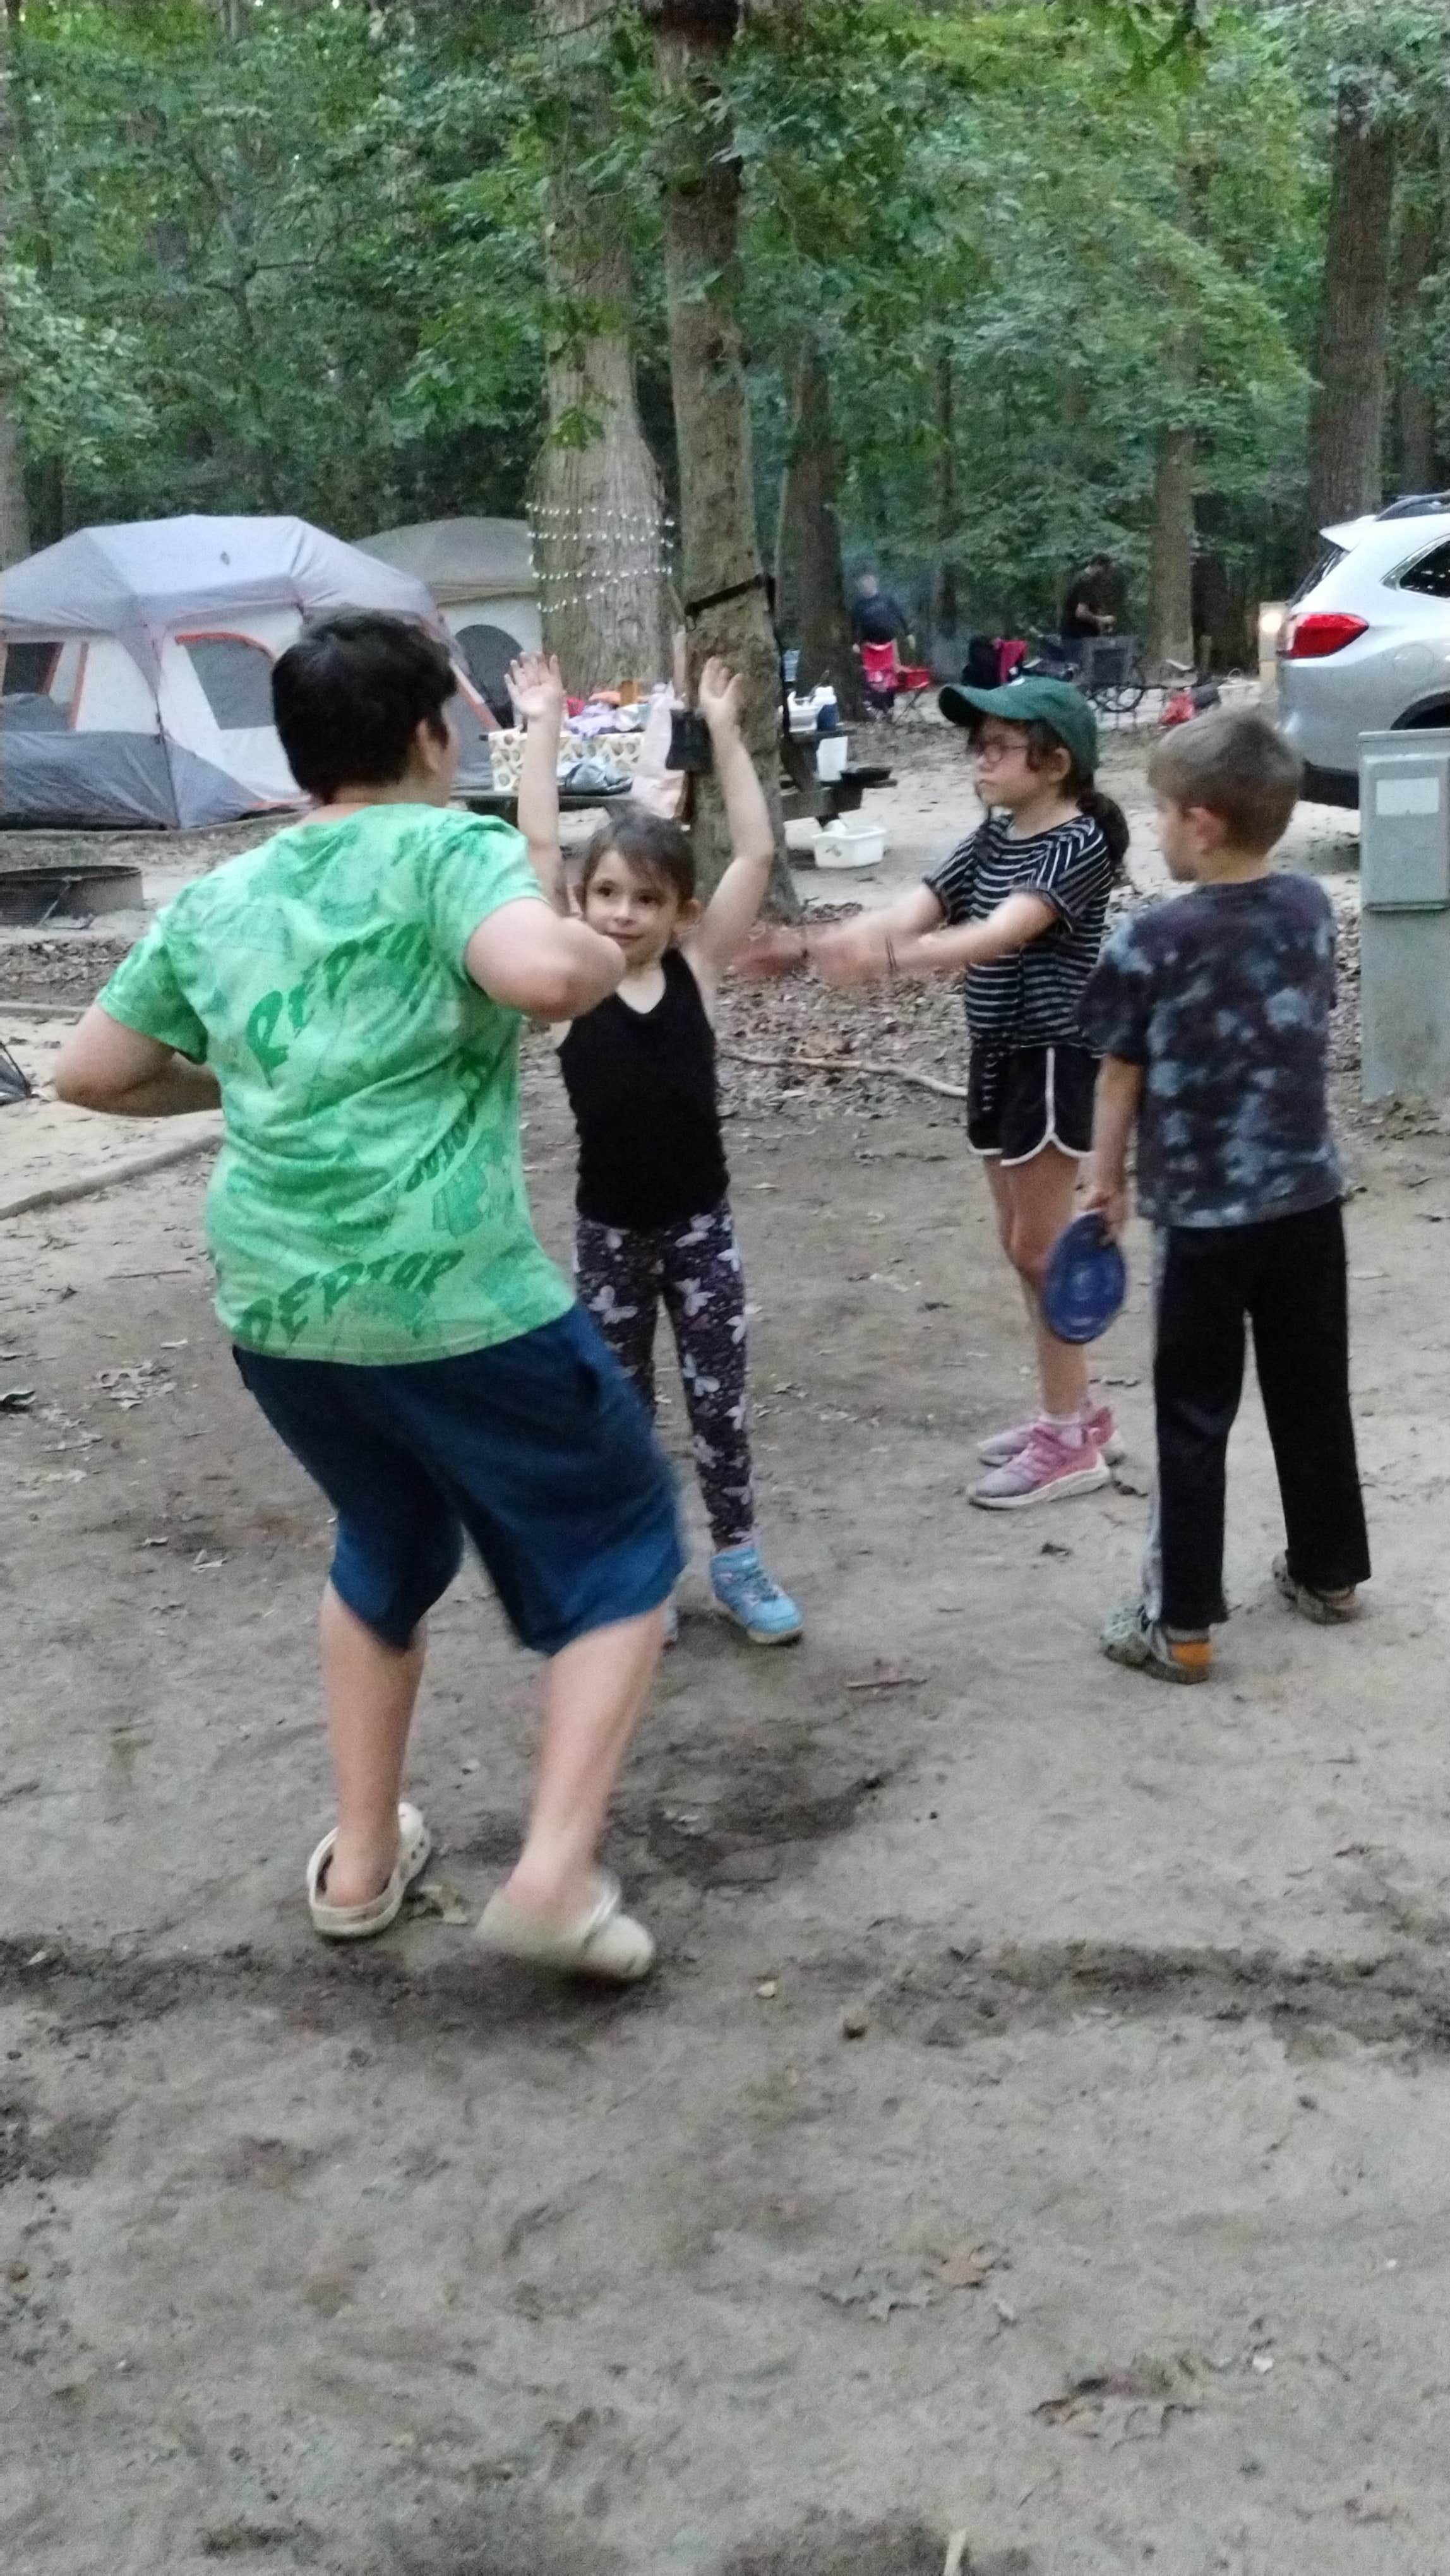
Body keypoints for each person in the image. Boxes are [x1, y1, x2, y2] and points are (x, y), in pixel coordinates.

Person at [52, 611, 683, 1981]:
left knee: (386, 1538)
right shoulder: (449, 850)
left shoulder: (223, 894)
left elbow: (91, 1073)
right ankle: (555, 1873)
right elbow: (533, 973)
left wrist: (263, 1076)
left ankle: (355, 1861)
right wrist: (594, 959)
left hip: (280, 1312)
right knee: (620, 1541)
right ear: (428, 737)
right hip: (455, 1303)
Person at [753, 675, 1130, 1509]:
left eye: (997, 746)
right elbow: (910, 910)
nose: (978, 758)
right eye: (977, 744)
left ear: (1055, 762)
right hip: (996, 1054)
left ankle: (1069, 1441)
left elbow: (997, 936)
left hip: (1052, 1060)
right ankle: (1069, 1412)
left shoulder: (1076, 847)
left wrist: (883, 965)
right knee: (1019, 1244)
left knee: (1042, 1250)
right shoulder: (991, 838)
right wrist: (816, 946)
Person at [507, 648, 802, 1647]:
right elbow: (538, 849)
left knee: (720, 1406)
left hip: (699, 1231)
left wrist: (722, 734)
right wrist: (543, 721)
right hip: (609, 1240)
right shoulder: (570, 985)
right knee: (620, 1415)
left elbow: (755, 856)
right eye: (608, 896)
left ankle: (739, 1557)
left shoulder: (697, 968)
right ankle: (643, 1572)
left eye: (644, 899)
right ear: (584, 904)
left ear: (680, 910)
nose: (623, 914)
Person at [1081, 706, 1370, 1685]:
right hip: (1306, 1205)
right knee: (1311, 1391)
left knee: (1194, 1411)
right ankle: (1330, 1575)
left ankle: (1183, 1626)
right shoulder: (1311, 911)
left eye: (1162, 813)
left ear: (1202, 822)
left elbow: (1119, 1076)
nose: (1156, 829)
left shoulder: (1151, 940)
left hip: (1204, 1219)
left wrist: (1102, 1184)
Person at [1060, 554, 1117, 645]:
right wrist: (1103, 620)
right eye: (1105, 569)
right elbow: (1081, 613)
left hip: (1075, 634)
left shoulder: (1080, 577)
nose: (1105, 574)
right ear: (1097, 564)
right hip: (1078, 636)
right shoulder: (1086, 581)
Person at [850, 571, 912, 650]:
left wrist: (908, 634)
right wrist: (855, 643)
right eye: (864, 581)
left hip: (890, 643)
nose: (866, 583)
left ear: (876, 581)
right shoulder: (858, 604)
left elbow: (899, 615)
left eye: (869, 580)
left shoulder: (886, 599)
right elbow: (854, 625)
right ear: (860, 584)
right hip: (868, 645)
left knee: (892, 662)